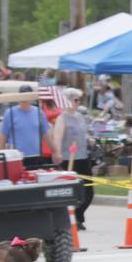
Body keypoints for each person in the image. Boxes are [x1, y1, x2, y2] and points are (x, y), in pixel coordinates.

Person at [51, 89, 94, 231]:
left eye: (79, 100)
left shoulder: (80, 116)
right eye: (76, 100)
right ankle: (72, 219)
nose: (78, 103)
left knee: (88, 191)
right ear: (67, 101)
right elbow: (57, 138)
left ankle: (78, 215)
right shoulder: (62, 118)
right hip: (68, 159)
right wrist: (57, 153)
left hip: (83, 158)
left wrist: (89, 139)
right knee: (71, 191)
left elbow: (84, 133)